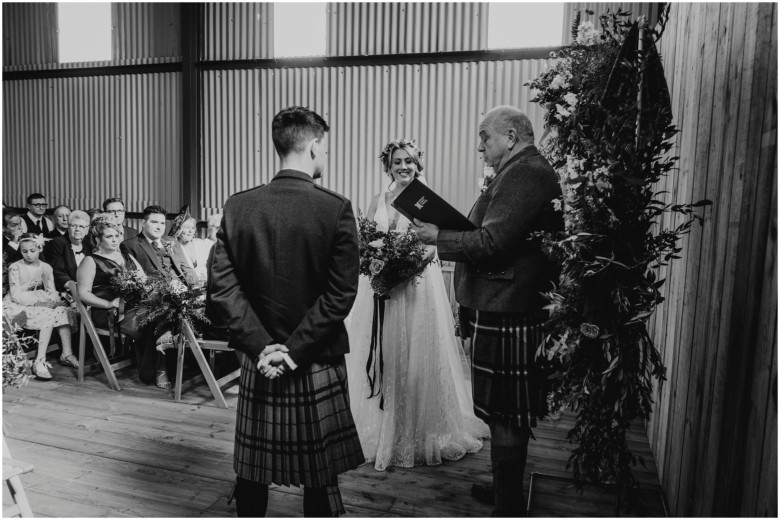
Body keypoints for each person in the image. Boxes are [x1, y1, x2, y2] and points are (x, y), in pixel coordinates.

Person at [209, 106, 364, 517]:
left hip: (259, 360)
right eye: (325, 148)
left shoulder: (239, 206)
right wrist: (293, 351)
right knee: (319, 469)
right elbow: (340, 293)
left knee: (254, 467)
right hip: (315, 356)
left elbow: (223, 289)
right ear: (314, 145)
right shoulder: (336, 207)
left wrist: (263, 348)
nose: (325, 156)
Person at [411, 105, 563, 517]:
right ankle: (504, 490)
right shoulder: (518, 171)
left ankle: (509, 505)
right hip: (499, 307)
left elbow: (493, 243)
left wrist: (439, 234)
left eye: (485, 136)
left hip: (510, 312)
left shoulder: (528, 173)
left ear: (511, 135)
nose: (479, 145)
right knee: (500, 411)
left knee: (508, 414)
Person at [345, 138, 489, 471]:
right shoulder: (376, 200)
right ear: (388, 166)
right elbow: (366, 244)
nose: (404, 167)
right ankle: (382, 425)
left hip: (416, 288)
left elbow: (432, 245)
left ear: (418, 164)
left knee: (417, 358)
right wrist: (378, 266)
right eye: (397, 162)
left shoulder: (425, 200)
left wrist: (401, 271)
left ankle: (421, 430)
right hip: (382, 289)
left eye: (409, 161)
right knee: (387, 355)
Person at [121, 205, 198, 388]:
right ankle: (160, 369)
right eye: (154, 222)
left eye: (162, 223)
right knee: (161, 314)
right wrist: (166, 290)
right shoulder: (130, 245)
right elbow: (136, 280)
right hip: (150, 299)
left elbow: (188, 270)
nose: (159, 226)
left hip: (182, 293)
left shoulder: (172, 241)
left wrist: (191, 283)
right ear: (143, 223)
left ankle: (197, 363)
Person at [4, 233, 79, 378]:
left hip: (40, 296)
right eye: (24, 251)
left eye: (33, 251)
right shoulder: (15, 267)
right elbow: (16, 294)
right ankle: (40, 360)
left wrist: (54, 301)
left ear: (40, 249)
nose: (29, 255)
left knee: (63, 311)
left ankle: (67, 353)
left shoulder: (46, 267)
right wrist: (40, 303)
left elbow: (50, 290)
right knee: (47, 316)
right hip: (18, 303)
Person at [77, 218, 145, 348]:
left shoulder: (126, 255)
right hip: (109, 311)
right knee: (147, 322)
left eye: (117, 235)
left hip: (133, 305)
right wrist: (108, 304)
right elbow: (83, 294)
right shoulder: (90, 261)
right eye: (109, 236)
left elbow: (143, 278)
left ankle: (157, 364)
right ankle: (150, 365)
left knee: (158, 316)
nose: (115, 240)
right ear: (98, 240)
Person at [42, 210, 91, 293]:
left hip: (87, 288)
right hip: (66, 289)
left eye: (81, 226)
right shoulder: (58, 243)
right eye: (73, 226)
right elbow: (57, 270)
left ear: (87, 230)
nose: (77, 229)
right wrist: (71, 285)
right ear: (68, 228)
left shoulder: (89, 244)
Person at [171, 216, 213, 284]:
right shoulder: (173, 247)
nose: (190, 231)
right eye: (187, 228)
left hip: (206, 285)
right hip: (184, 286)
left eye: (193, 228)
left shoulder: (201, 244)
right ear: (179, 230)